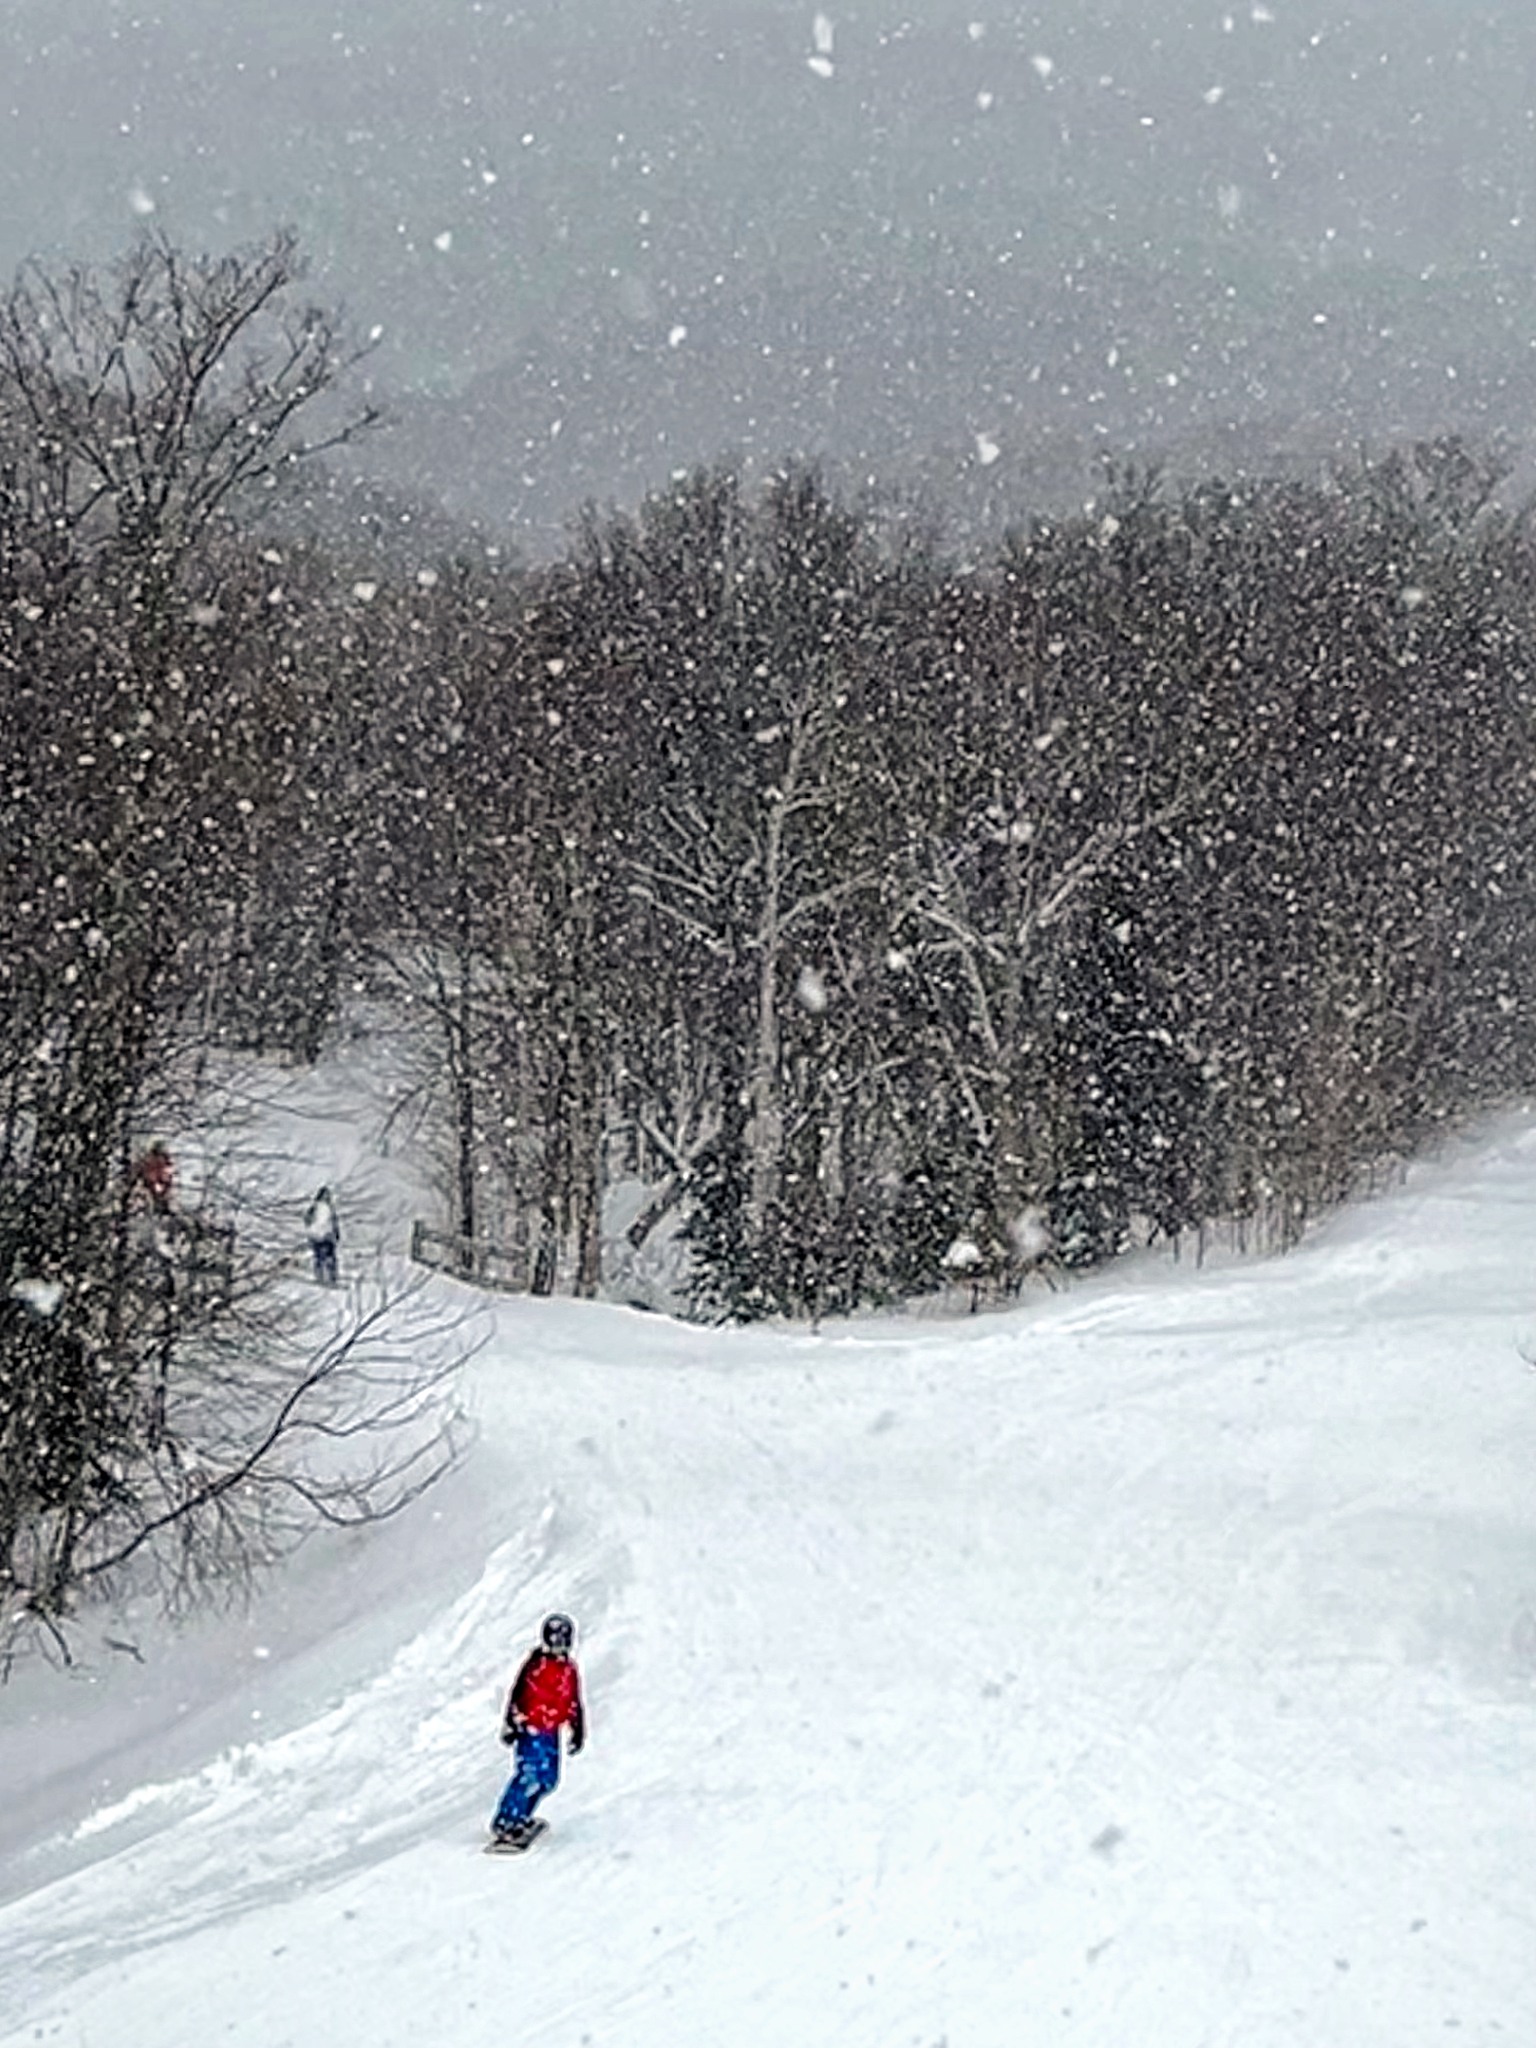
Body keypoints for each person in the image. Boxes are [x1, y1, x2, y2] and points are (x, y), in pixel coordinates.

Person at [489, 1613, 585, 1849]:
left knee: (549, 1780)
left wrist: (577, 1728)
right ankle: (507, 1820)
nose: (559, 1646)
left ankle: (522, 1816)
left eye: (563, 1640)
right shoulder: (536, 1665)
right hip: (531, 1729)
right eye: (555, 1640)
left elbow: (573, 1699)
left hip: (552, 1731)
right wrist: (511, 1723)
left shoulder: (568, 1668)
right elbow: (517, 1694)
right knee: (530, 1775)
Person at [304, 1185, 339, 1285]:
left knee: (321, 1257)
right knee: (328, 1257)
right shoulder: (327, 1208)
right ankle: (330, 1277)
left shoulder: (314, 1208)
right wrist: (336, 1234)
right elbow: (334, 1223)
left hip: (318, 1236)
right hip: (325, 1236)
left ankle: (322, 1276)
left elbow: (307, 1221)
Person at [135, 1142, 175, 1214]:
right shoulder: (151, 1159)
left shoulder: (164, 1159)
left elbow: (168, 1171)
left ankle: (161, 1208)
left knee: (161, 1194)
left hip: (159, 1181)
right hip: (154, 1181)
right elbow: (149, 1171)